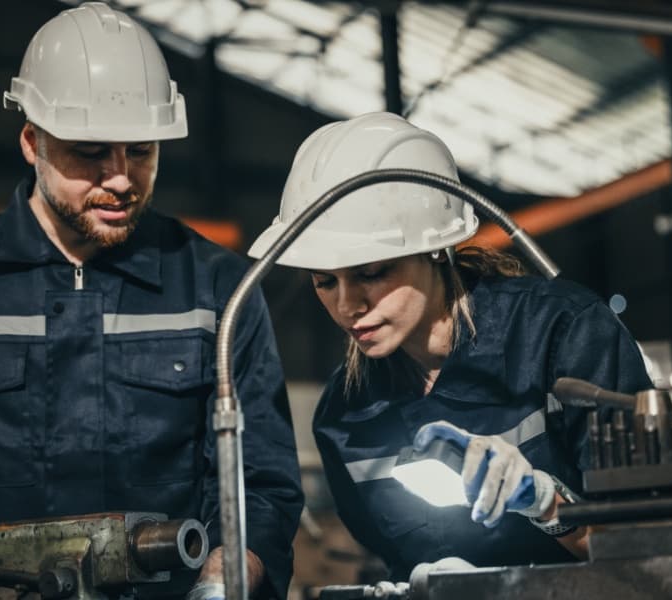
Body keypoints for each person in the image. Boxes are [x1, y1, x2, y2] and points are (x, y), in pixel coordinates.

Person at [0, 4, 302, 599]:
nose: (121, 178)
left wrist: (219, 584)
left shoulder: (217, 290)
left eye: (141, 151)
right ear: (32, 142)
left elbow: (263, 488)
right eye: (90, 151)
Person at [248, 112, 651, 581]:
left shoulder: (563, 336)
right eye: (324, 281)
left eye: (370, 273)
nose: (347, 305)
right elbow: (392, 557)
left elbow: (650, 551)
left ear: (436, 248)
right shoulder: (345, 418)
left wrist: (544, 501)